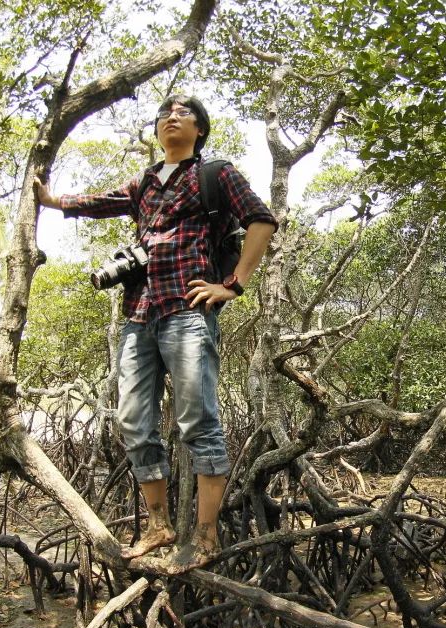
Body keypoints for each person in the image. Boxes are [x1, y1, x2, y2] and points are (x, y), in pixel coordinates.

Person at [35, 94, 277, 571]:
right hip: (138, 312)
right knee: (133, 421)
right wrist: (52, 201)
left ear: (200, 130)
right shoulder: (145, 182)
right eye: (165, 112)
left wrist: (233, 284)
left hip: (187, 310)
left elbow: (261, 220)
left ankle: (205, 538)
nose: (172, 117)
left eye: (184, 113)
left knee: (198, 421)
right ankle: (159, 525)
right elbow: (101, 202)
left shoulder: (215, 174)